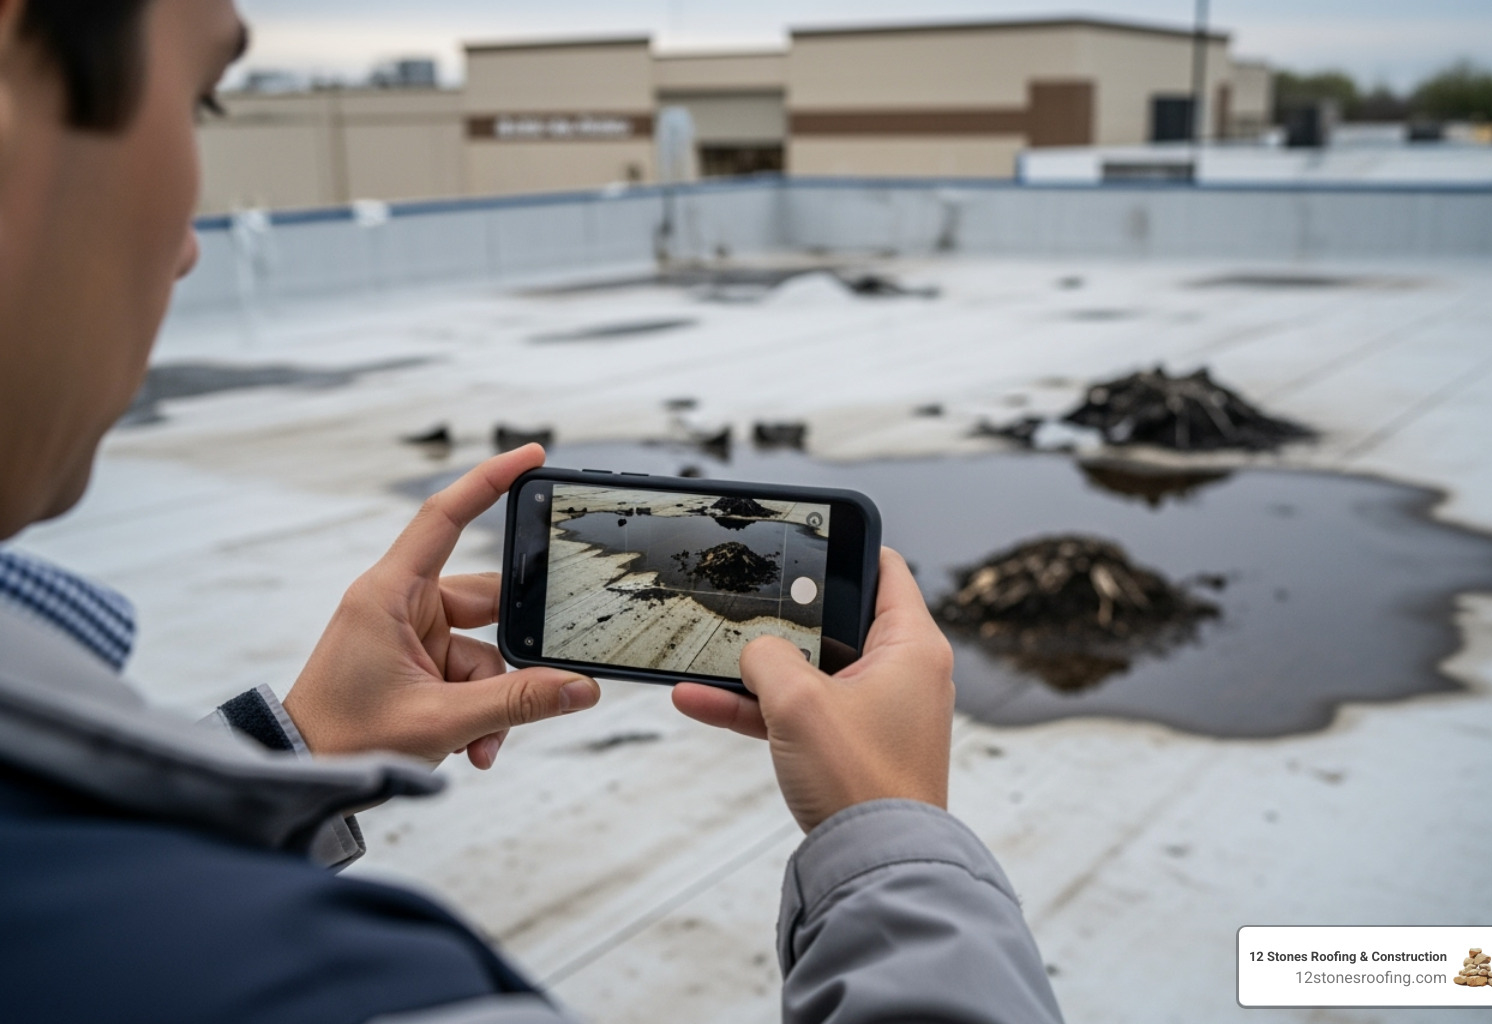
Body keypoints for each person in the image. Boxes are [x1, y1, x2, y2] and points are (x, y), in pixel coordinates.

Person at [0, 0, 1064, 1021]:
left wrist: (293, 753)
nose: (191, 245)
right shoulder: (351, 986)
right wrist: (899, 844)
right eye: (201, 101)